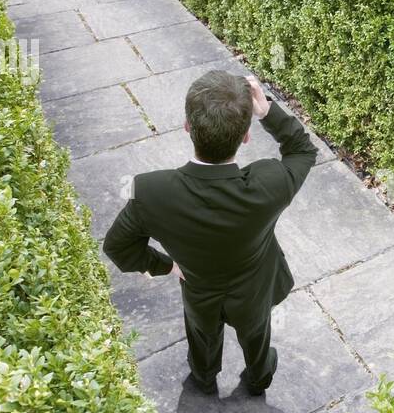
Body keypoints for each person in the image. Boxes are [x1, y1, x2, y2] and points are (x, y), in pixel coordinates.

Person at [103, 70, 317, 396]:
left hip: (199, 292)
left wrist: (167, 265)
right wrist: (267, 111)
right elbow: (302, 150)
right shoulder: (269, 183)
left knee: (202, 337)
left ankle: (204, 378)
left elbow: (117, 247)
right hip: (253, 292)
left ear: (188, 127)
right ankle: (259, 377)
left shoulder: (152, 192)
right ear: (246, 136)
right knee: (257, 336)